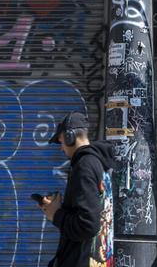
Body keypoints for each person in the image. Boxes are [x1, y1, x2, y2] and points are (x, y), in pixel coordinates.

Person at [39, 110, 117, 267]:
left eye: (61, 142)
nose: (61, 148)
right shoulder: (98, 163)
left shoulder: (84, 165)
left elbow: (87, 225)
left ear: (70, 137)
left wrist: (55, 214)